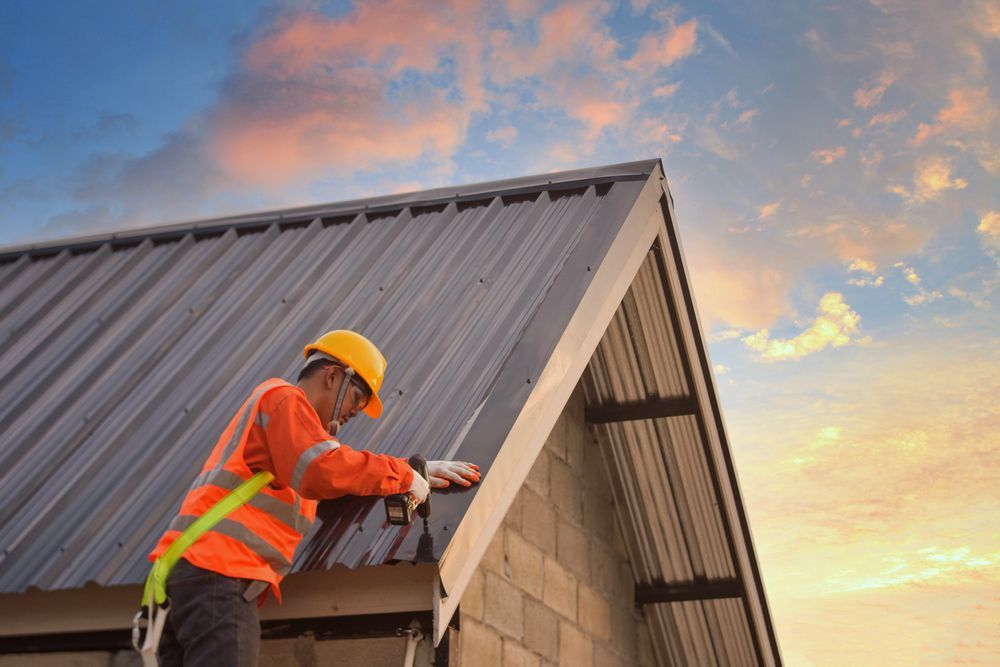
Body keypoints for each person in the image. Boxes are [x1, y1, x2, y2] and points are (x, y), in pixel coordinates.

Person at [147, 330, 480, 666]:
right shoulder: (283, 399)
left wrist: (410, 473)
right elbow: (325, 469)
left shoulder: (289, 442)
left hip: (193, 578)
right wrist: (402, 474)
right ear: (333, 375)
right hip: (220, 574)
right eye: (358, 397)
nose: (357, 411)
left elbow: (334, 476)